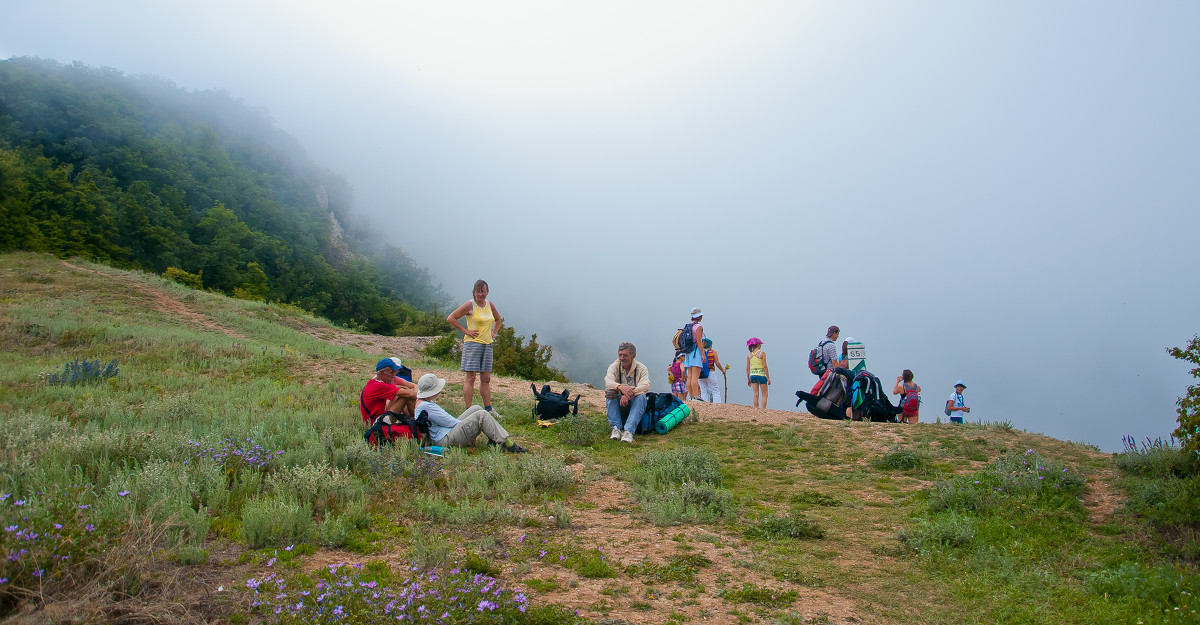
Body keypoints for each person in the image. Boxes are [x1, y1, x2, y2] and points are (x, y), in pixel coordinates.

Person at [413, 373, 528, 452]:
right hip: (444, 439)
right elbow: (450, 422)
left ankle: (494, 439)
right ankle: (506, 443)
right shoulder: (427, 407)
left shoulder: (422, 403)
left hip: (442, 434)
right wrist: (469, 430)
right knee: (481, 415)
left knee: (476, 408)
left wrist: (467, 427)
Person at [446, 279, 503, 418]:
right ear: (474, 292)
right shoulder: (470, 305)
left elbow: (498, 319)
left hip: (487, 344)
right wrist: (465, 331)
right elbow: (451, 318)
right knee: (471, 378)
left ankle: (488, 408)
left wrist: (494, 332)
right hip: (473, 344)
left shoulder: (490, 304)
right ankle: (468, 410)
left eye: (482, 291)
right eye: (478, 291)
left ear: (487, 292)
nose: (480, 294)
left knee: (486, 378)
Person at [604, 342, 650, 443]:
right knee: (610, 392)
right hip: (619, 403)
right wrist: (620, 387)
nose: (622, 358)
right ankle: (616, 428)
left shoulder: (641, 368)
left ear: (633, 356)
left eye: (625, 355)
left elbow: (645, 385)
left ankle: (629, 431)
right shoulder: (614, 366)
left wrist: (628, 394)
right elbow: (608, 381)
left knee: (641, 396)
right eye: (620, 355)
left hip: (633, 403)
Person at [359, 357, 417, 425]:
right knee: (406, 396)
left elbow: (399, 389)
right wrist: (422, 400)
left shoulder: (374, 383)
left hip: (374, 419)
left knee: (402, 393)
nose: (394, 375)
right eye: (391, 372)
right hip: (375, 423)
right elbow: (411, 394)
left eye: (395, 372)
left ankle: (412, 419)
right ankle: (418, 421)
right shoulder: (379, 386)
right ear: (381, 372)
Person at [682, 307, 706, 400]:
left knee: (690, 375)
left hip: (688, 352)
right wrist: (703, 354)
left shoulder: (688, 326)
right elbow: (699, 342)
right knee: (695, 376)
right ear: (699, 316)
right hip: (695, 352)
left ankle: (692, 396)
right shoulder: (698, 327)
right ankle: (696, 396)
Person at [698, 338, 726, 403]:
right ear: (710, 345)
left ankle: (705, 404)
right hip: (710, 372)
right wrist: (722, 370)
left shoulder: (700, 353)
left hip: (700, 373)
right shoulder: (712, 352)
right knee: (715, 390)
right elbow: (717, 363)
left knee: (703, 390)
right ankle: (717, 405)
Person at [745, 337, 770, 409]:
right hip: (761, 374)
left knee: (755, 394)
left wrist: (748, 379)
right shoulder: (762, 353)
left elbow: (747, 369)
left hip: (752, 375)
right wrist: (768, 378)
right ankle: (763, 410)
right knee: (764, 394)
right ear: (758, 344)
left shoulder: (749, 355)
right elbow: (765, 366)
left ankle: (756, 409)